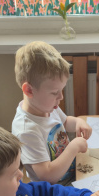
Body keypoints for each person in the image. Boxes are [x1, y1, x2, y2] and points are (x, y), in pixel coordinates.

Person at [12, 41, 92, 185]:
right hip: (54, 189)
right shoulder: (27, 130)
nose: (61, 97)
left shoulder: (47, 107)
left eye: (61, 90)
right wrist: (73, 147)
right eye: (55, 92)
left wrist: (78, 122)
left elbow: (65, 122)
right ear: (29, 90)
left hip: (70, 173)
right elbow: (47, 176)